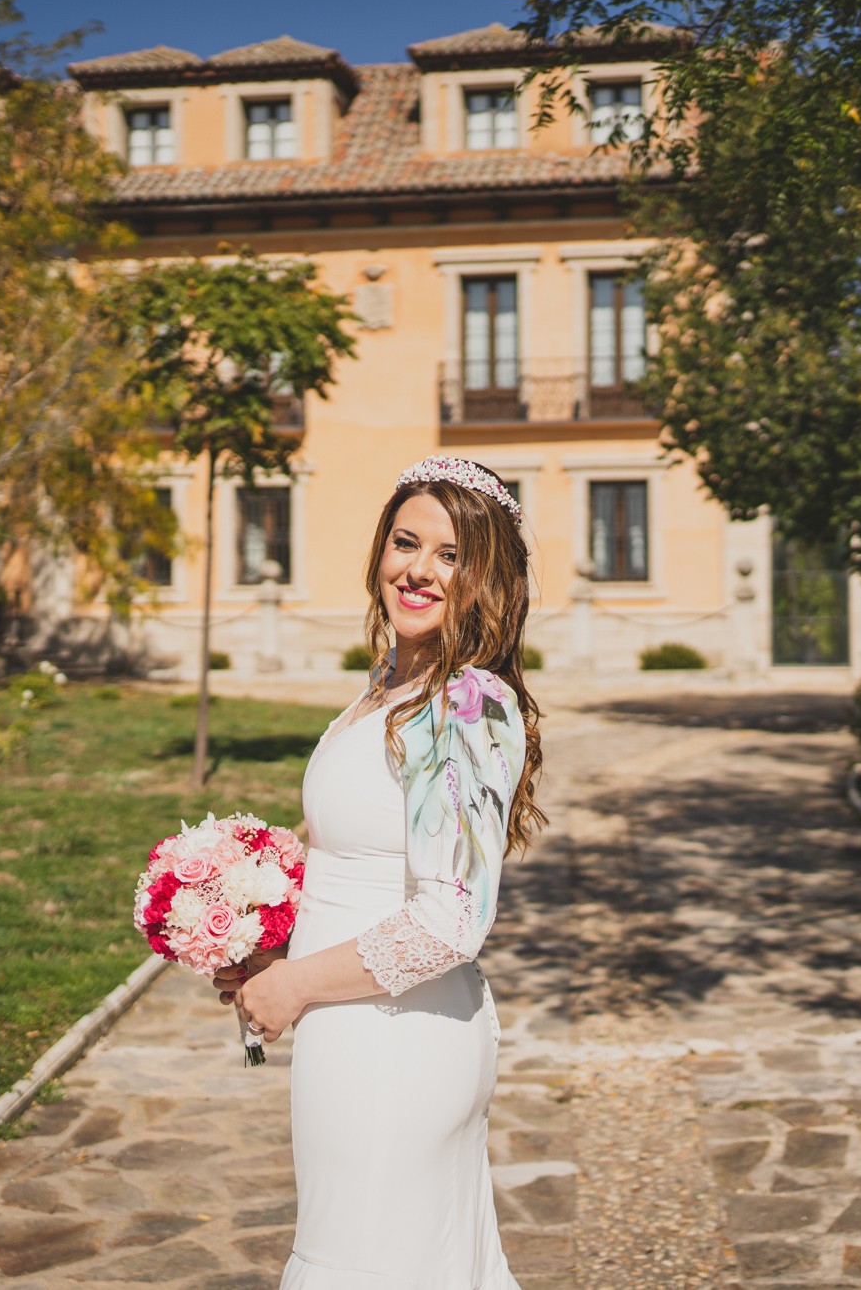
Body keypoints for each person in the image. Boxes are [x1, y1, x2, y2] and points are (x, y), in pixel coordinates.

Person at [214, 455, 545, 1288]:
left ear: (488, 575)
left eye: (451, 554)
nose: (420, 570)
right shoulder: (393, 684)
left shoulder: (464, 703)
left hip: (396, 1043)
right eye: (406, 542)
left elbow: (451, 920)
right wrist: (261, 933)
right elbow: (359, 851)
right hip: (353, 1023)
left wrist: (292, 988)